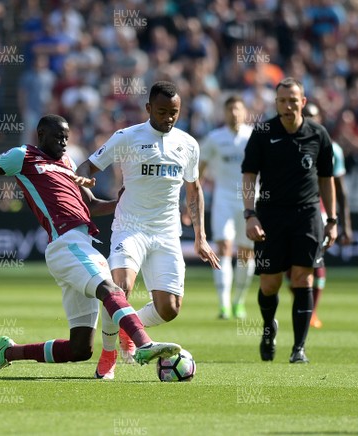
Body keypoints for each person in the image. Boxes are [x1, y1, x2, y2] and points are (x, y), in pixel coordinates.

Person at [0, 114, 181, 377]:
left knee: (79, 349)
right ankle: (143, 344)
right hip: (66, 244)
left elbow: (90, 207)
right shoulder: (22, 156)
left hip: (83, 242)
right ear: (41, 136)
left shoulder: (67, 163)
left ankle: (8, 352)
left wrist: (121, 203)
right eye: (57, 137)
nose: (64, 143)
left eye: (67, 137)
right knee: (112, 291)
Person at [76, 81, 220, 380]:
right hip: (130, 227)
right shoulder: (126, 137)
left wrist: (201, 237)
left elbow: (193, 191)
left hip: (166, 233)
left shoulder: (188, 144)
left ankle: (131, 328)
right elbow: (86, 167)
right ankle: (108, 353)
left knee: (170, 309)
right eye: (163, 111)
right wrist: (85, 183)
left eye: (175, 112)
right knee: (120, 289)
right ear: (148, 109)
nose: (169, 118)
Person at [241, 77, 337, 364]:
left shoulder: (318, 134)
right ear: (276, 103)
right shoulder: (262, 132)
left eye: (293, 100)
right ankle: (268, 329)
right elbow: (248, 177)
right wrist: (250, 214)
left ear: (303, 102)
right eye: (282, 100)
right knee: (269, 284)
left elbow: (326, 179)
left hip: (307, 216)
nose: (288, 105)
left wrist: (331, 220)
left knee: (302, 279)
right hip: (269, 216)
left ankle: (299, 348)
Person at [287, 103, 353, 329]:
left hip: (319, 213)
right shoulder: (286, 144)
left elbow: (340, 190)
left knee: (315, 261)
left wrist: (345, 225)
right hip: (286, 212)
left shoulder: (332, 149)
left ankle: (311, 312)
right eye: (306, 117)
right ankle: (303, 304)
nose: (310, 121)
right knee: (289, 266)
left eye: (314, 117)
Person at [198, 95, 255, 320]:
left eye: (238, 109)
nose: (234, 113)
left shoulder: (254, 136)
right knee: (223, 249)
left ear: (245, 112)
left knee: (245, 254)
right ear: (224, 112)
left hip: (250, 201)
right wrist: (190, 201)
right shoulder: (214, 138)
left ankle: (238, 302)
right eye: (230, 109)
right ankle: (223, 305)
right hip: (223, 199)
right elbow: (200, 170)